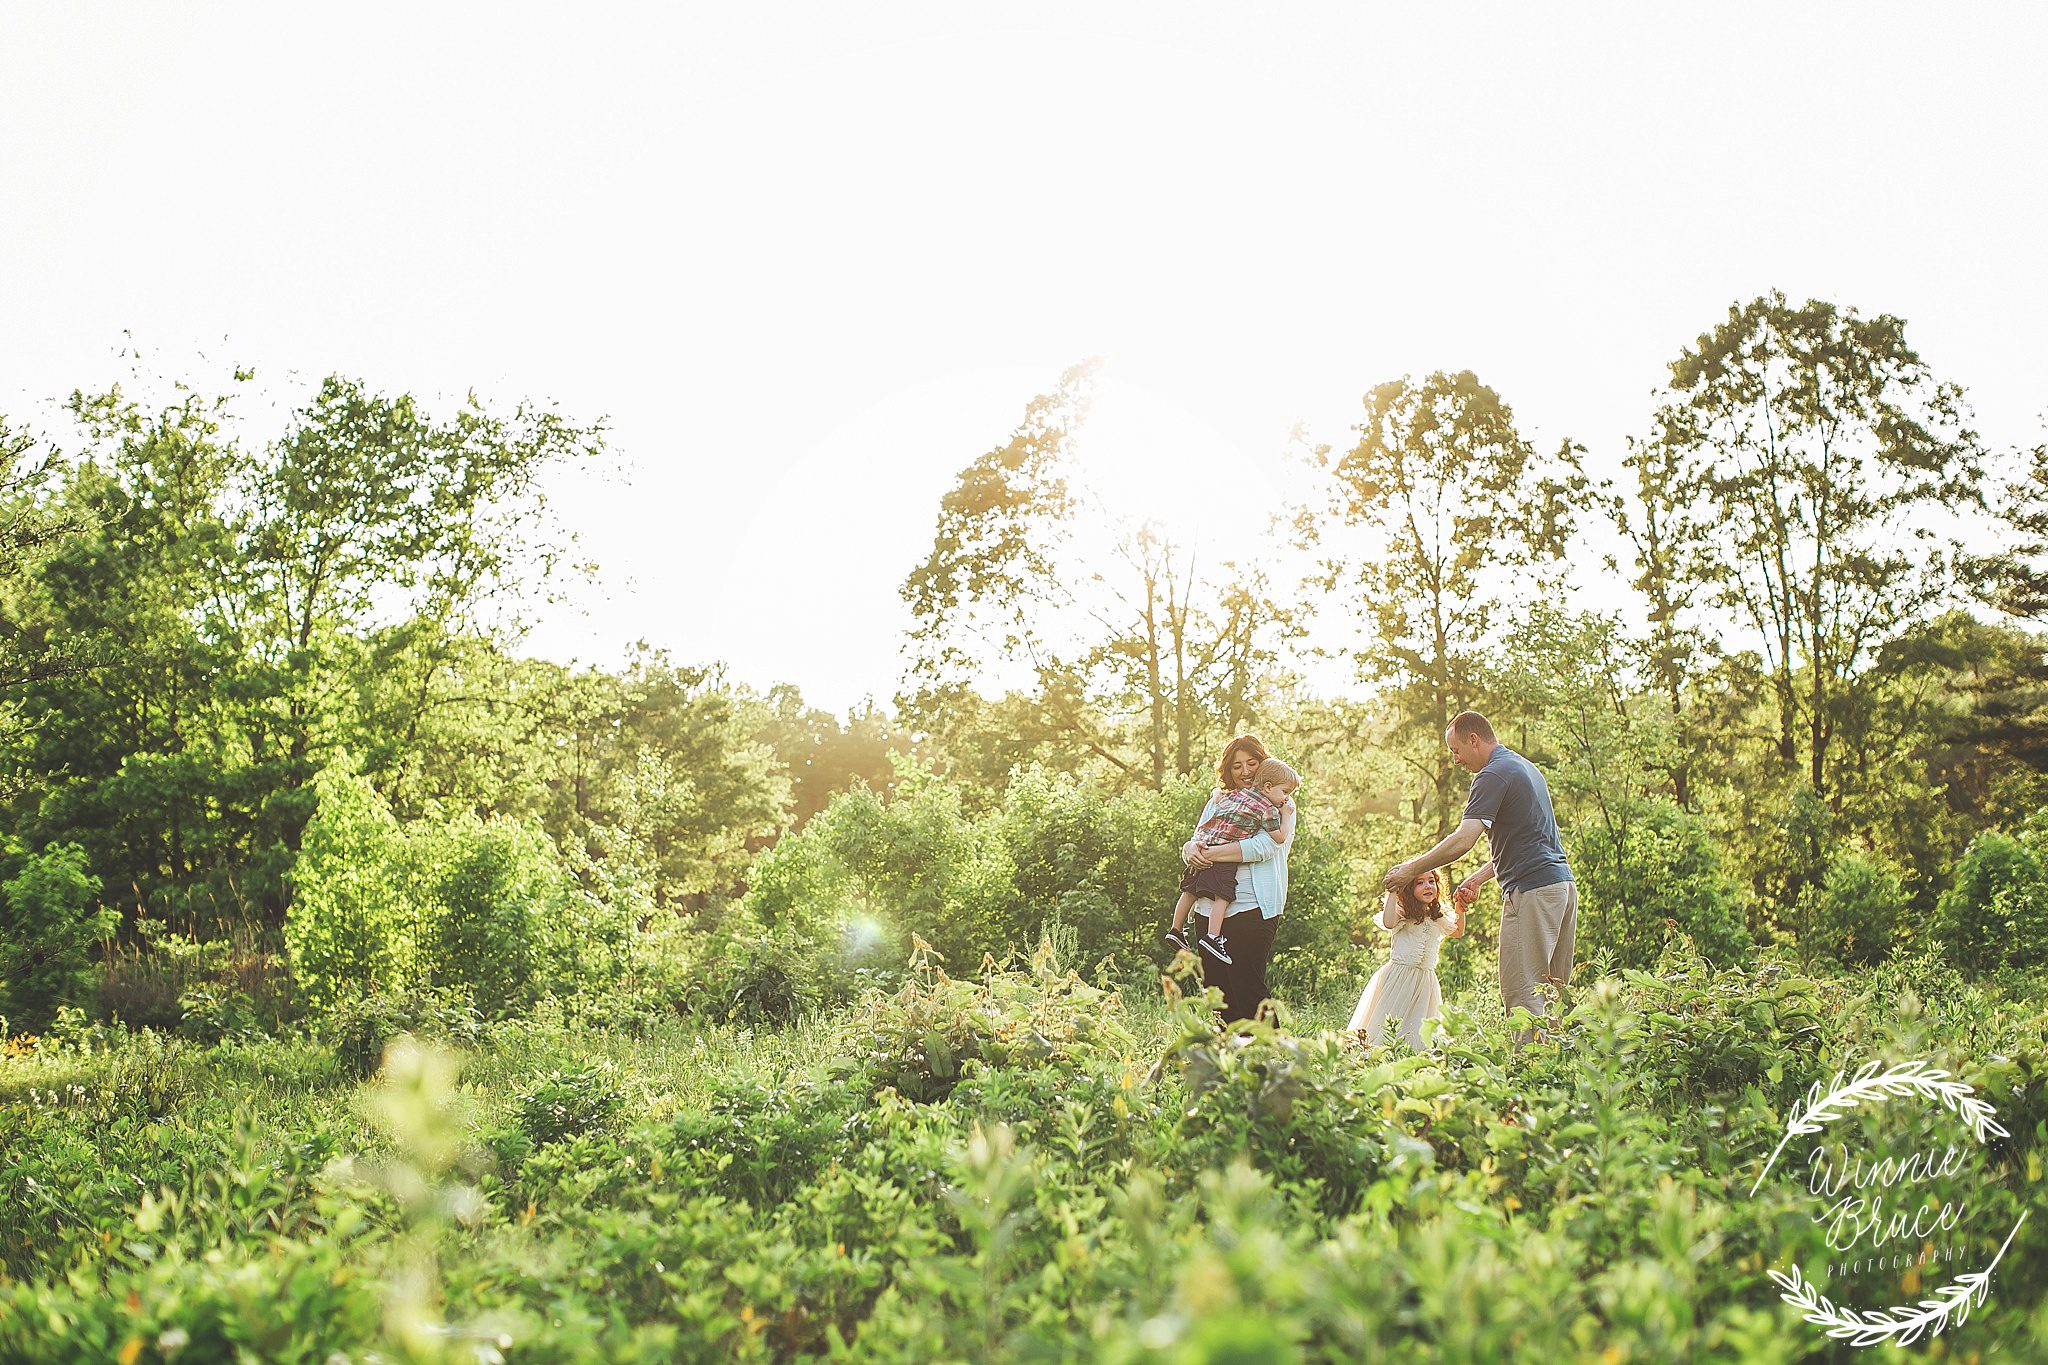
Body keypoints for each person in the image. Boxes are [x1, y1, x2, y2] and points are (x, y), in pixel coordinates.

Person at [1384, 710, 1576, 1048]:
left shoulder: (1492, 774)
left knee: (1523, 988)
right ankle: (1556, 1074)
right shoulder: (1525, 768)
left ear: (1474, 740)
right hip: (1559, 887)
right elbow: (1532, 840)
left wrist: (1411, 869)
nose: (1456, 760)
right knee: (1551, 989)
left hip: (1531, 892)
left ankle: (1530, 1081)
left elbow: (1463, 839)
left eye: (1456, 750)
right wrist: (1484, 875)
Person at [1178, 736, 1299, 1027]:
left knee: (1248, 986)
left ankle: (1270, 1060)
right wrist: (1189, 850)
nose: (1244, 772)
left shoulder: (1281, 802)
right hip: (1208, 909)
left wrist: (1209, 853)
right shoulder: (1220, 800)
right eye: (1236, 766)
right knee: (1216, 992)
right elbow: (1198, 837)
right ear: (1227, 771)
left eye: (1252, 764)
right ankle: (1228, 1062)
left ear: (1263, 767)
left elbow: (1264, 847)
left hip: (1253, 906)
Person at [1163, 757, 1298, 965]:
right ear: (1269, 785)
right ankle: (1213, 937)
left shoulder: (1236, 794)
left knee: (1189, 890)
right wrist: (1285, 816)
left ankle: (1176, 929)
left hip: (1205, 851)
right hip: (1218, 863)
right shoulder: (1271, 808)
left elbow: (1217, 798)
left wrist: (1200, 850)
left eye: (1251, 764)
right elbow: (1278, 838)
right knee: (1223, 895)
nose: (1287, 799)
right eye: (1286, 793)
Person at [1347, 868, 1464, 1050]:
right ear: (1409, 888)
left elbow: (1457, 931)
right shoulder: (1403, 911)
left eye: (1431, 881)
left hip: (1425, 980)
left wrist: (1460, 907)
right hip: (1399, 977)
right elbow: (1389, 922)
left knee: (1419, 1022)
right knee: (1390, 1018)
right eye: (1420, 882)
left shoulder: (1436, 916)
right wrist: (1393, 890)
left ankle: (1414, 1056)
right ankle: (1378, 1053)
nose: (1428, 886)